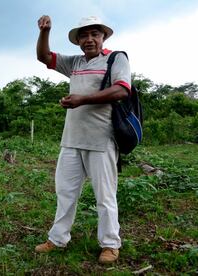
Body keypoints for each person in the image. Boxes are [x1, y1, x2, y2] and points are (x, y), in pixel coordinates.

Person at [35, 15, 131, 264]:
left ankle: (110, 244)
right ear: (78, 41)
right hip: (71, 140)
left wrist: (82, 99)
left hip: (102, 140)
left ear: (103, 37)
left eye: (94, 34)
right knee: (65, 192)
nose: (89, 40)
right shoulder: (75, 62)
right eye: (84, 36)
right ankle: (57, 239)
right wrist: (45, 31)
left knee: (105, 196)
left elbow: (121, 90)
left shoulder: (115, 58)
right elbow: (44, 57)